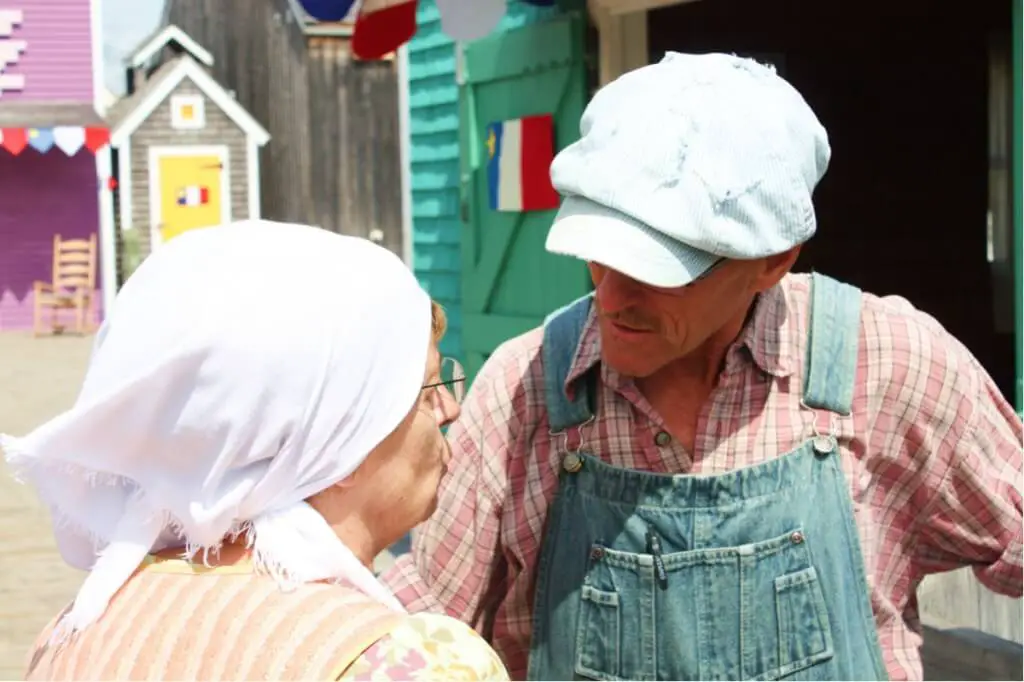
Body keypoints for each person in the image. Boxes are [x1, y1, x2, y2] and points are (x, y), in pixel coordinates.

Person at [383, 52, 1024, 681]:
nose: (608, 298)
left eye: (655, 272)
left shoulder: (887, 366)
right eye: (601, 255)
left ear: (774, 261)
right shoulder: (523, 394)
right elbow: (412, 641)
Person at [3, 220, 509, 681]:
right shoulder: (416, 664)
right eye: (426, 389)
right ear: (340, 445)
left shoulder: (72, 634)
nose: (448, 411)